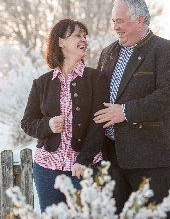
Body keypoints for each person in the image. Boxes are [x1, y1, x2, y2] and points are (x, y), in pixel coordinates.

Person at [94, 0, 170, 217]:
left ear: (140, 19)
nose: (115, 27)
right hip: (112, 158)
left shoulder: (166, 50)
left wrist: (125, 112)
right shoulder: (108, 53)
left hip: (149, 159)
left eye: (120, 21)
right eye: (114, 21)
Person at [21, 18, 109, 212]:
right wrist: (48, 125)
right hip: (46, 169)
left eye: (85, 36)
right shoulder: (41, 83)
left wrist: (83, 160)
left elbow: (99, 124)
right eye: (78, 35)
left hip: (83, 169)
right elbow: (27, 123)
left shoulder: (96, 79)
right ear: (60, 42)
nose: (84, 40)